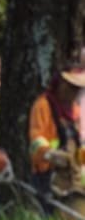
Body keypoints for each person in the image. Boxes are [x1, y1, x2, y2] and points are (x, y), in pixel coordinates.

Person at [28, 66, 85, 209]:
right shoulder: (43, 105)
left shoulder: (75, 110)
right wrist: (51, 154)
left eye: (77, 89)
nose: (74, 92)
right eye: (71, 87)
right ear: (60, 85)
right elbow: (36, 139)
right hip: (47, 174)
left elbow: (77, 144)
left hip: (71, 177)